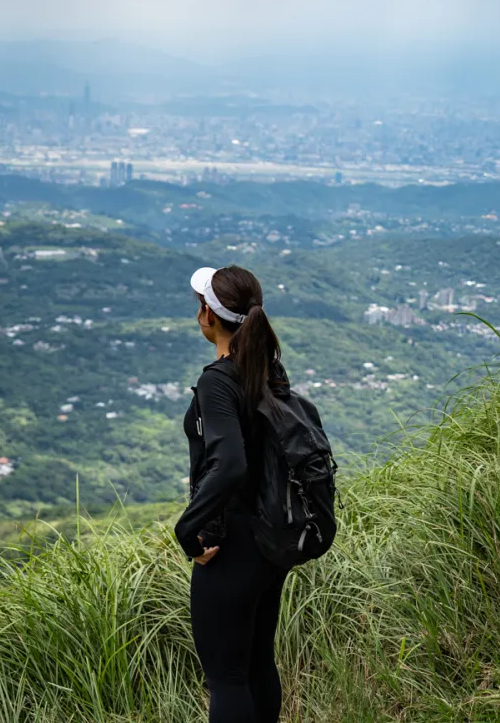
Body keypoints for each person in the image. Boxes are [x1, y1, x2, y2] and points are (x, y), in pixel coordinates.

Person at [174, 264, 294, 723]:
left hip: (230, 545)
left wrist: (188, 530)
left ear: (207, 313)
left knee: (226, 677)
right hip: (270, 539)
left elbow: (231, 464)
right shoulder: (268, 370)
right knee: (259, 662)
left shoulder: (218, 381)